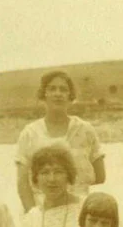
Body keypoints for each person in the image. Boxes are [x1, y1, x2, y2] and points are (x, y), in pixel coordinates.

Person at [15, 70, 105, 211]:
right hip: (42, 210)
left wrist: (75, 188)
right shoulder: (30, 133)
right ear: (44, 94)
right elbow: (22, 183)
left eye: (63, 89)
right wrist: (32, 217)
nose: (58, 94)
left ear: (70, 95)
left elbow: (100, 176)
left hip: (80, 209)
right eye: (52, 88)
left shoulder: (85, 130)